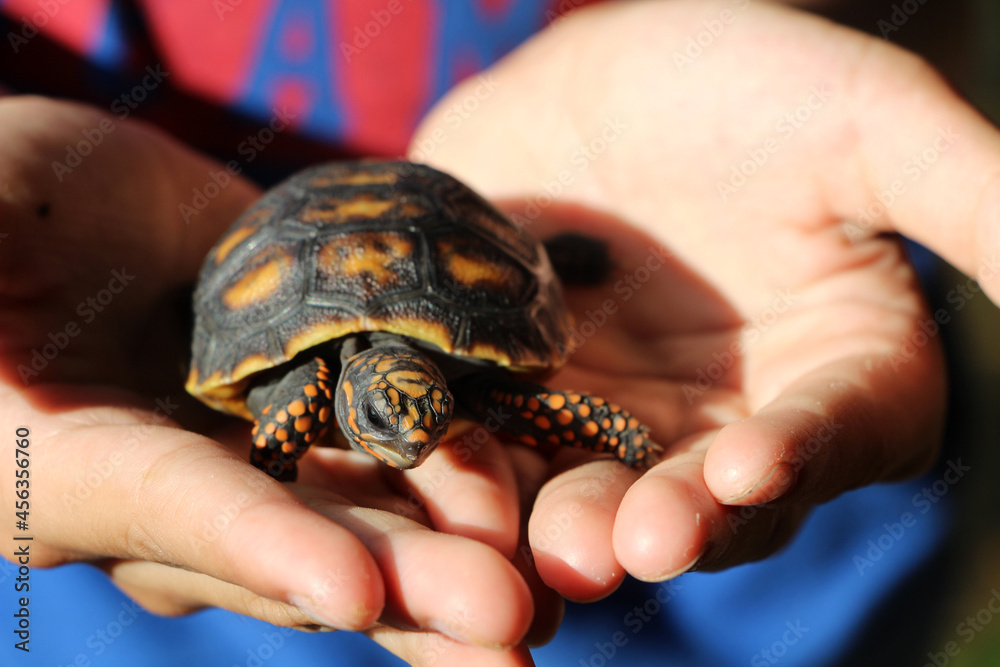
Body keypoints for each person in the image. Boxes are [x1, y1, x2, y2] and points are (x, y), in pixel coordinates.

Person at [0, 0, 987, 664]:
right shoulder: (303, 388)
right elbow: (299, 402)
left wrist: (619, 436)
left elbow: (545, 400)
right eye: (399, 409)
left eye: (421, 402)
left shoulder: (462, 388)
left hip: (767, 540)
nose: (421, 421)